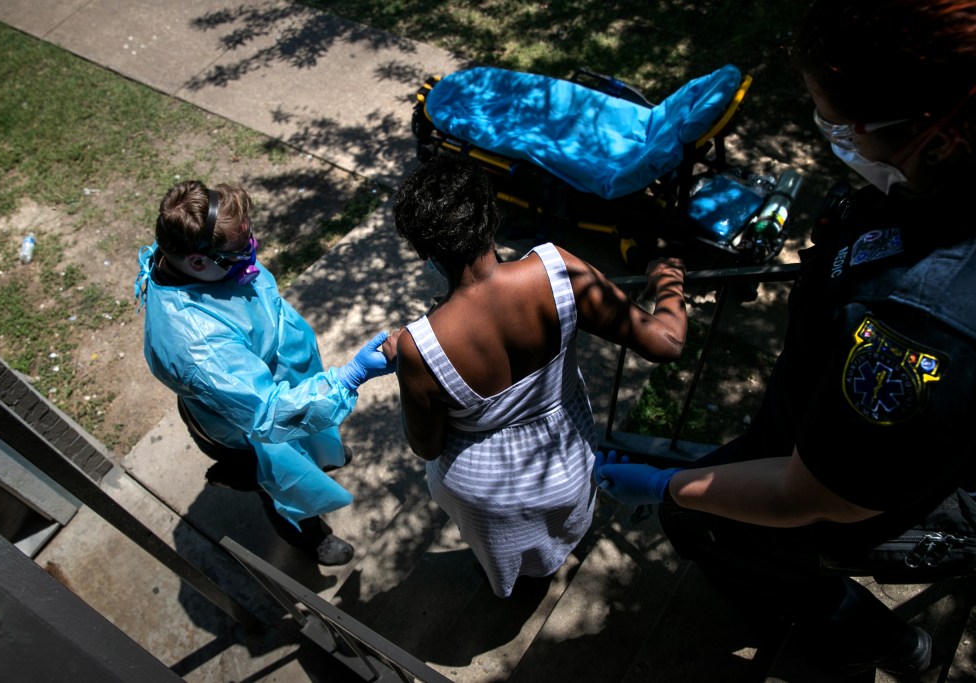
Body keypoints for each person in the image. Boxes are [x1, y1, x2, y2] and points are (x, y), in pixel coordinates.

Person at [594, 0, 976, 676]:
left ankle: (879, 637)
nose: (834, 135)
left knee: (744, 543)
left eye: (842, 123)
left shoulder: (919, 321)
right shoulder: (935, 183)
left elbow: (815, 495)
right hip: (809, 430)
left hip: (833, 488)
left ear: (935, 133)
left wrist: (670, 485)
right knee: (720, 523)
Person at [390, 154, 688, 598]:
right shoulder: (558, 272)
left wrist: (407, 363)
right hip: (564, 459)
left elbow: (427, 445)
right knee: (553, 539)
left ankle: (509, 583)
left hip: (482, 495)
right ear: (491, 216)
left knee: (503, 557)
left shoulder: (419, 347)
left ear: (425, 252)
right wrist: (670, 282)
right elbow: (665, 340)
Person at [134, 180, 396, 565]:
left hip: (282, 381)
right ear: (196, 262)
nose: (251, 257)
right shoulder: (198, 347)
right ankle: (310, 537)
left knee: (307, 443)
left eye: (250, 240)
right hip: (250, 424)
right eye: (241, 252)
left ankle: (320, 453)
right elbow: (268, 415)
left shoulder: (189, 256)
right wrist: (351, 376)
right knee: (280, 481)